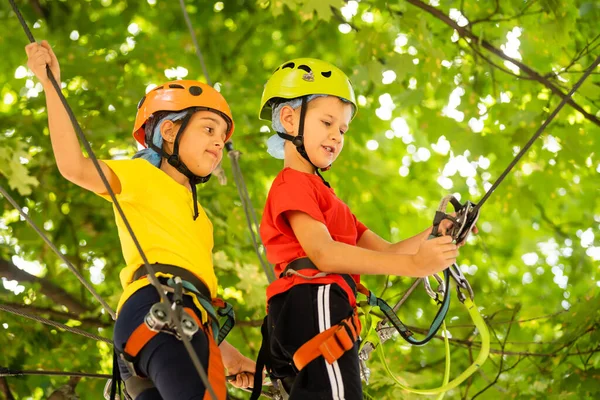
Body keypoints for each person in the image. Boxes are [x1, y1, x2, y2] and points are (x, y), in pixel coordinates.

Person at [26, 40, 256, 400]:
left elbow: (198, 304)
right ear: (168, 131)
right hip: (160, 306)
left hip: (170, 321)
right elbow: (74, 167)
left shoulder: (202, 220)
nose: (218, 144)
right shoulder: (142, 176)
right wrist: (50, 86)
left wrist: (230, 357)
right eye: (209, 129)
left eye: (222, 137)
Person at [251, 58, 472, 399]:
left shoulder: (329, 199)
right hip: (315, 297)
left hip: (319, 307)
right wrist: (415, 266)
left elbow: (384, 253)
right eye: (327, 122)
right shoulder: (292, 184)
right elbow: (323, 254)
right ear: (289, 119)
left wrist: (437, 234)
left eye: (342, 130)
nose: (335, 136)